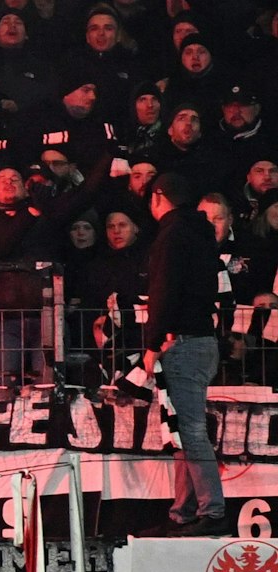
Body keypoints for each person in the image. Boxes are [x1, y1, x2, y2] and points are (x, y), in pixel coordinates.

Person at [126, 171, 226, 535]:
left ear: (157, 197)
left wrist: (151, 346)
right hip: (200, 340)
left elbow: (164, 293)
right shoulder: (200, 233)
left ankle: (212, 511)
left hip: (181, 342)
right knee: (183, 432)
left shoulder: (171, 235)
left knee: (191, 431)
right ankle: (184, 511)